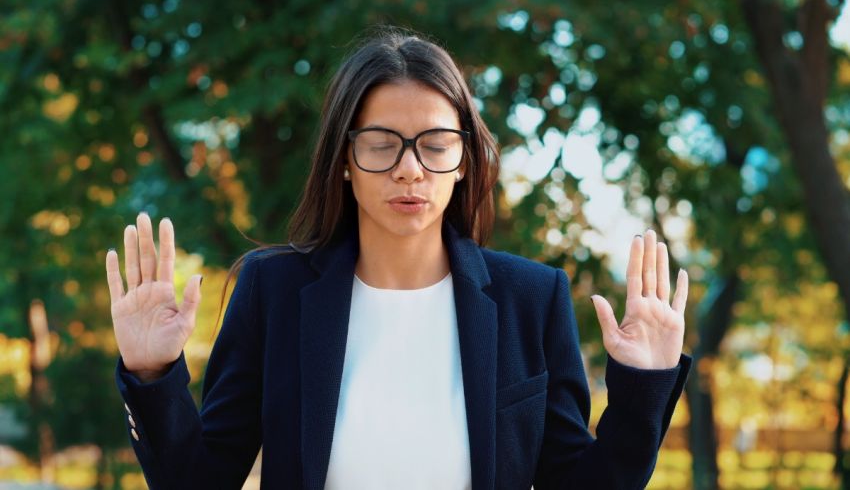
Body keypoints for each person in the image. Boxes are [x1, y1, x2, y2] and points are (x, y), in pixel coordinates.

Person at [106, 27, 691, 490]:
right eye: (382, 145)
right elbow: (198, 479)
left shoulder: (529, 299)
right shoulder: (274, 290)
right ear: (343, 158)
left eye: (435, 145)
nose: (410, 168)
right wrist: (153, 375)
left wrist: (646, 383)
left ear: (463, 159)